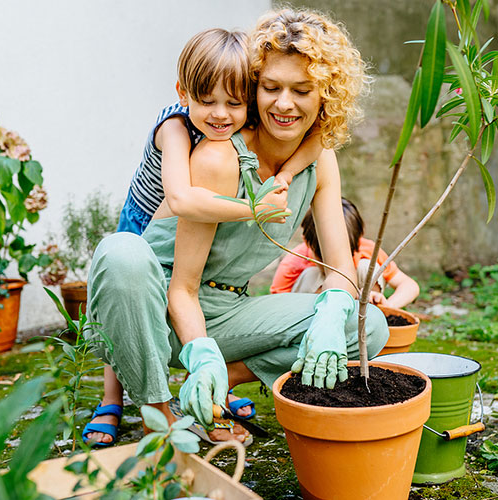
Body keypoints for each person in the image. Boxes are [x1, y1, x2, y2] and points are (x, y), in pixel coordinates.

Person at [85, 7, 388, 446]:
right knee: (121, 253)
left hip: (231, 308)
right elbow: (182, 288)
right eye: (271, 88)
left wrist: (334, 312)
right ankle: (161, 414)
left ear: (326, 95)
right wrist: (200, 353)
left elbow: (341, 269)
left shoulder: (319, 161)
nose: (284, 104)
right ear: (254, 88)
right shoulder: (217, 155)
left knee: (370, 325)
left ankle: (216, 387)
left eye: (302, 90)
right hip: (161, 312)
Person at [271, 198, 420, 308]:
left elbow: (409, 285)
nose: (332, 264)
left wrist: (388, 306)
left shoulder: (366, 249)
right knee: (312, 275)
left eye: (344, 254)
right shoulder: (295, 261)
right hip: (308, 315)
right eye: (324, 259)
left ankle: (369, 313)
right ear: (306, 241)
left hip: (358, 310)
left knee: (366, 267)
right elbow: (276, 307)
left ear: (359, 238)